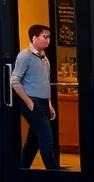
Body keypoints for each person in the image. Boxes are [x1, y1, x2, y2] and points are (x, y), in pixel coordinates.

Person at [11, 24, 59, 170]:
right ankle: (54, 173)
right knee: (47, 139)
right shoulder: (24, 56)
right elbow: (14, 81)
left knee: (33, 142)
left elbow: (45, 82)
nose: (48, 40)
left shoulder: (44, 58)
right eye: (45, 37)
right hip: (33, 103)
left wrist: (49, 104)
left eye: (49, 37)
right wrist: (28, 101)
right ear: (34, 38)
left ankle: (22, 170)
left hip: (43, 102)